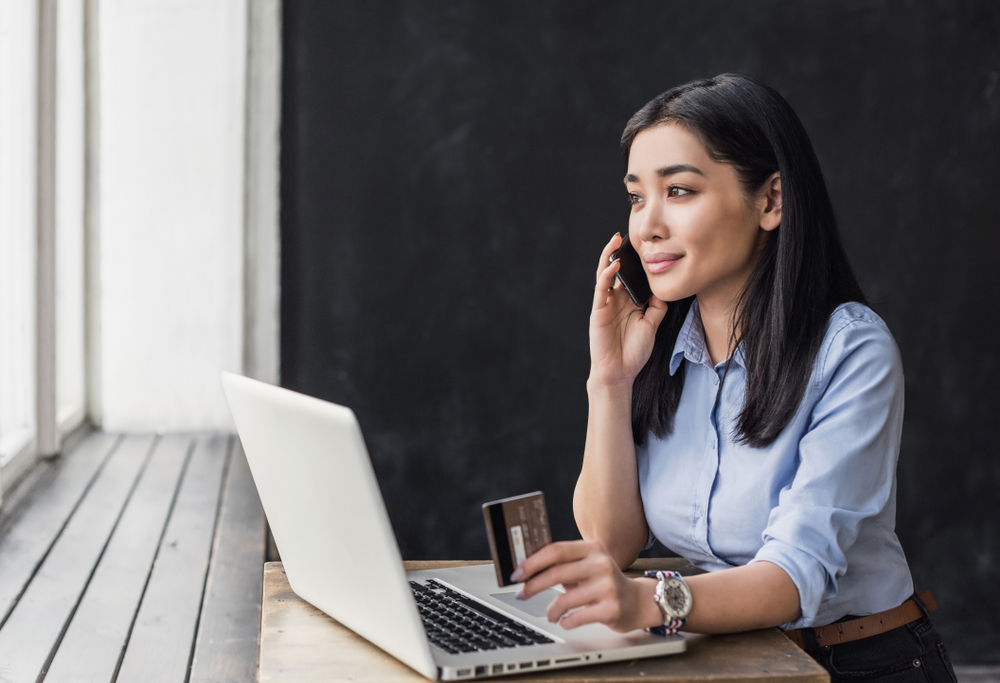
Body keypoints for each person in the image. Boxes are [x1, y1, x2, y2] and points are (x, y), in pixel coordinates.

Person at [512, 74, 956, 682]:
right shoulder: (660, 345)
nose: (647, 226)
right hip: (735, 659)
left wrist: (648, 601)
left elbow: (792, 577)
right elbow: (613, 545)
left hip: (859, 663)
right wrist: (609, 383)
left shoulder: (851, 349)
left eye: (680, 190)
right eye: (638, 196)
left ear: (771, 201)